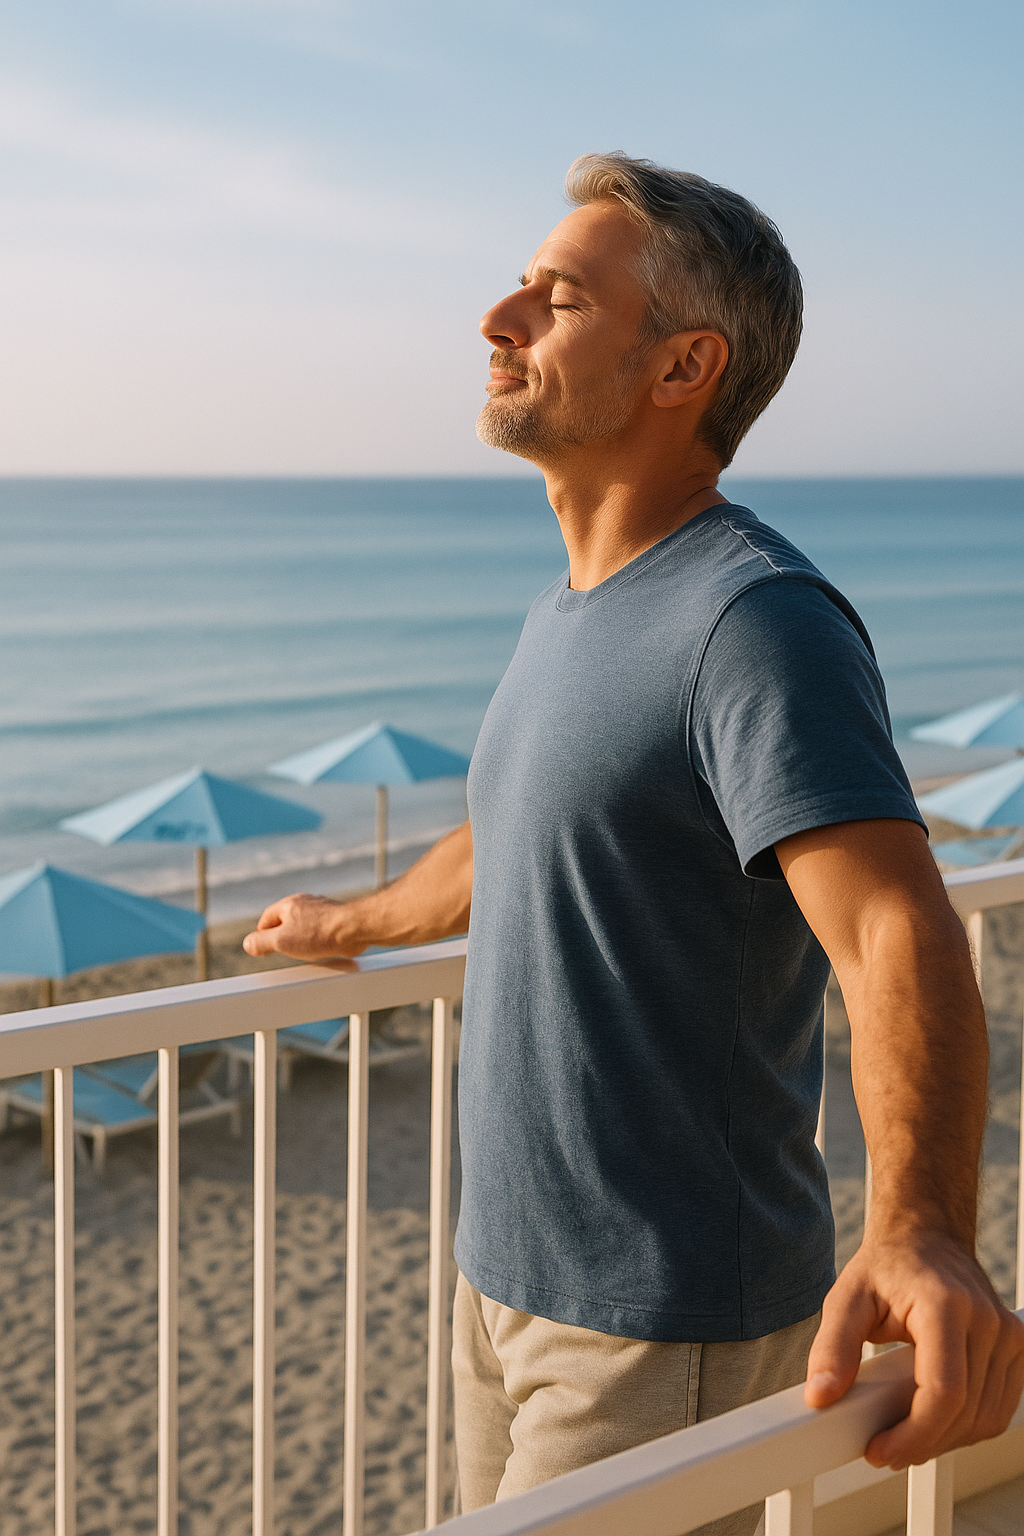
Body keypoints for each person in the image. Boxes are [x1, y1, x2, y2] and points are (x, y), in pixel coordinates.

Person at [244, 155, 1024, 1533]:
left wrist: (919, 1229)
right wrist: (350, 926)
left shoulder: (756, 621)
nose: (499, 317)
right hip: (509, 1290)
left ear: (682, 369)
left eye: (554, 299)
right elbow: (517, 831)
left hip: (662, 1331)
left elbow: (895, 928)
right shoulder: (578, 610)